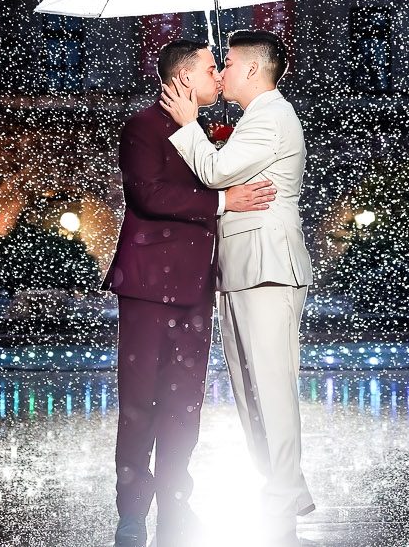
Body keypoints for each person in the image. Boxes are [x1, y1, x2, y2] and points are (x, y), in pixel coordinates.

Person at [107, 38, 277, 547]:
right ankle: (132, 513)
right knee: (139, 403)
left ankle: (176, 506)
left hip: (195, 289)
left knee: (184, 405)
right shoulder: (142, 127)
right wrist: (223, 200)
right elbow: (148, 194)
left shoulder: (202, 131)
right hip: (148, 286)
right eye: (210, 68)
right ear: (183, 77)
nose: (218, 77)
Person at [159, 28, 315, 542]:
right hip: (244, 267)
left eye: (226, 62)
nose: (221, 72)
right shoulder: (256, 118)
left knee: (271, 385)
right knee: (252, 390)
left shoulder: (271, 116)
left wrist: (189, 125)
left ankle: (283, 492)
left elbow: (217, 171)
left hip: (268, 266)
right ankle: (283, 485)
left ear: (251, 69)